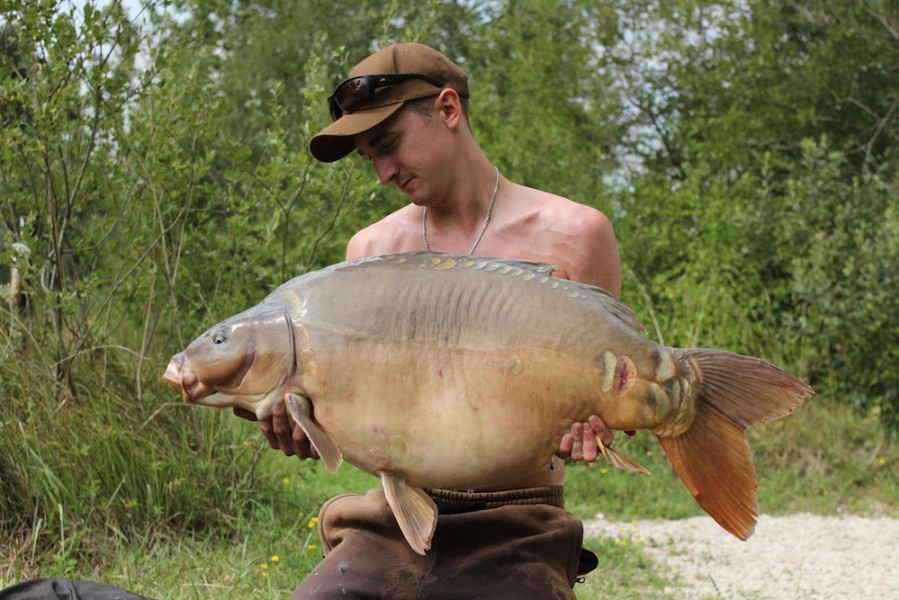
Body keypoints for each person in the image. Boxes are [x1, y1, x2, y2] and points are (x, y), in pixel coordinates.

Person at [237, 42, 623, 599]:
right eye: (370, 157)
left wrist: (592, 425)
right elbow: (361, 420)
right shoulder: (370, 252)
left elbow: (596, 399)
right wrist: (309, 427)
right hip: (392, 519)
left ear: (447, 110)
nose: (382, 174)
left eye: (388, 146)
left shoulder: (576, 235)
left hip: (519, 521)